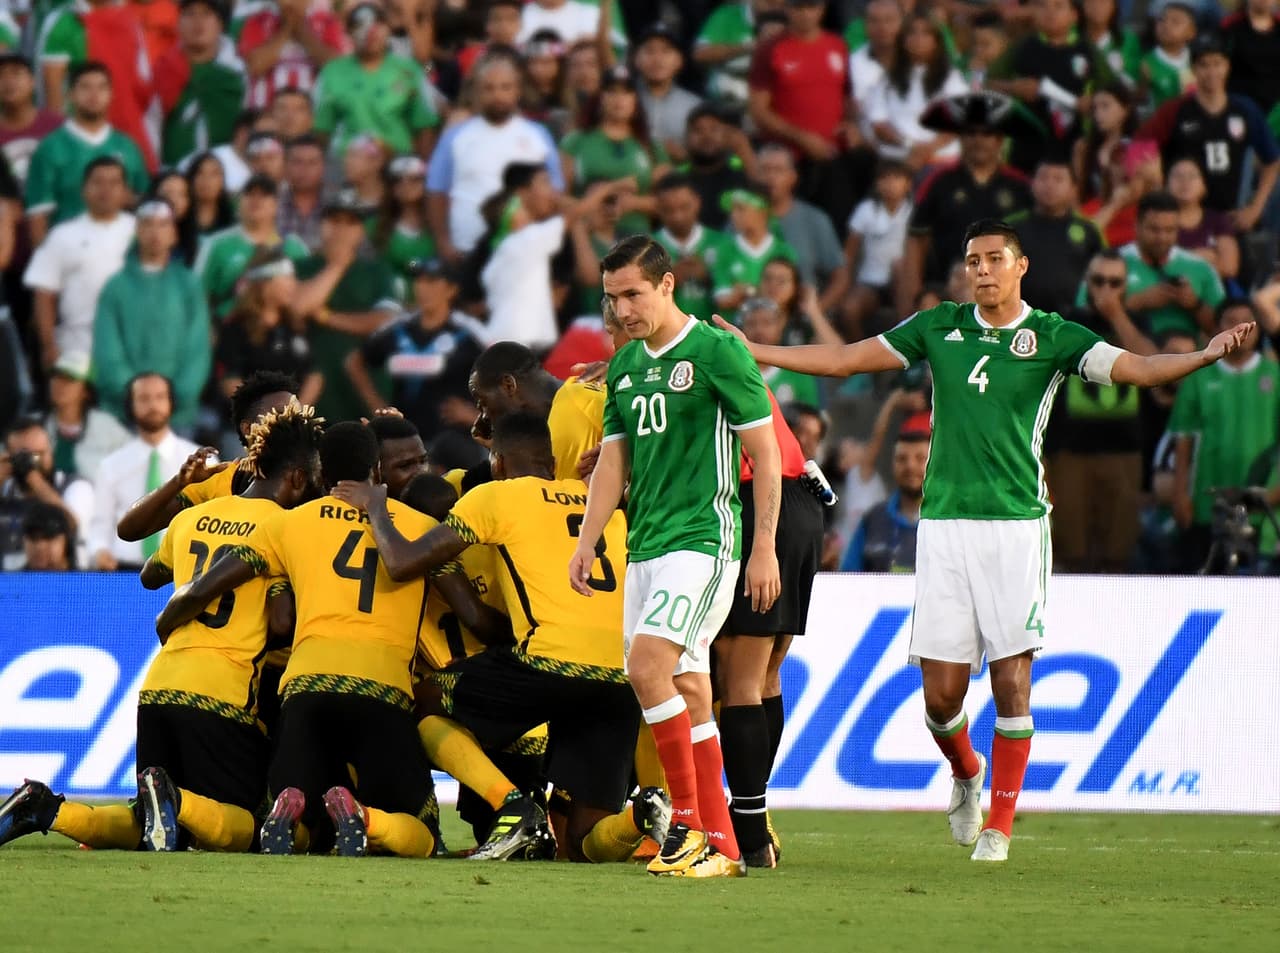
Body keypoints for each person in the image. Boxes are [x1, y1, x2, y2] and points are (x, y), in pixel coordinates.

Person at [712, 217, 1255, 861]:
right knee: (940, 701)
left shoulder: (1054, 338)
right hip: (943, 528)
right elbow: (846, 357)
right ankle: (967, 771)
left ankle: (1000, 825)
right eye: (973, 261)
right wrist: (759, 351)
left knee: (1012, 682)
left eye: (995, 259)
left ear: (1021, 266)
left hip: (1017, 528)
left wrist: (1202, 354)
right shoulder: (939, 327)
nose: (982, 270)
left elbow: (1137, 368)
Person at [332, 411, 667, 864]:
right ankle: (642, 812)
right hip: (618, 672)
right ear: (551, 461)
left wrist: (376, 506)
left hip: (547, 662)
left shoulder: (497, 496)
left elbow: (401, 562)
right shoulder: (600, 500)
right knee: (586, 844)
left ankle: (513, 805)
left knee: (427, 701)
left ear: (498, 460)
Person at [571, 235, 783, 878]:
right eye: (611, 299)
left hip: (704, 542)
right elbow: (615, 458)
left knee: (647, 668)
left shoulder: (718, 352)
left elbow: (766, 451)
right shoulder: (628, 365)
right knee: (689, 688)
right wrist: (588, 538)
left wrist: (764, 545)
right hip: (645, 548)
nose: (622, 311)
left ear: (667, 285)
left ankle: (687, 828)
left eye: (633, 294)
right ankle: (721, 847)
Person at [152, 421, 460, 858]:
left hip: (305, 688)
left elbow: (205, 586)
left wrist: (167, 620)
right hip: (382, 688)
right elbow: (467, 612)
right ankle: (363, 816)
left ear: (321, 473)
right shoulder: (421, 526)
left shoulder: (286, 525)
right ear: (376, 467)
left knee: (299, 830)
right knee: (422, 835)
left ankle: (291, 807)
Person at [128, 400, 322, 853]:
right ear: (295, 477)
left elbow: (150, 575)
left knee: (152, 832)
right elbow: (281, 621)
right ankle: (178, 801)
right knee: (239, 825)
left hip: (158, 687)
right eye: (311, 479)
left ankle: (59, 810)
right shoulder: (285, 527)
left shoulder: (190, 516)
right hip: (224, 693)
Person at [1047, 250, 1150, 573]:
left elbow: (1154, 367)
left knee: (1118, 551)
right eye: (1098, 281)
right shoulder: (1065, 322)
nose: (1105, 289)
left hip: (1124, 451)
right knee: (1069, 549)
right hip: (1069, 451)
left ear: (1125, 286)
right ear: (1086, 283)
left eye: (1115, 282)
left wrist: (1118, 316)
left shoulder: (1137, 323)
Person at [114, 369, 298, 544]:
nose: (294, 422)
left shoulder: (318, 478)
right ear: (248, 429)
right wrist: (178, 483)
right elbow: (129, 530)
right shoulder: (218, 481)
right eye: (281, 414)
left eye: (298, 413)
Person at [896, 91, 1032, 317]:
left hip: (1005, 285)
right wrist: (910, 300)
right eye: (970, 133)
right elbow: (915, 241)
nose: (978, 140)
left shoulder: (1021, 187)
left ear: (999, 140)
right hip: (944, 286)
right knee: (928, 307)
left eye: (986, 133)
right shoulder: (937, 182)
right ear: (961, 138)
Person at [1169, 299, 1279, 573]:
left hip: (1262, 501)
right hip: (1207, 500)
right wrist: (1180, 494)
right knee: (1205, 580)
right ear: (1216, 328)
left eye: (1248, 322)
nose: (1240, 329)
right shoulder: (1198, 377)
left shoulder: (1275, 375)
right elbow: (1183, 439)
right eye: (1231, 321)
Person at [91, 199, 211, 433]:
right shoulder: (116, 287)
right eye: (147, 224)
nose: (155, 232)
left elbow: (197, 348)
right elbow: (107, 348)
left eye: (163, 225)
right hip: (123, 413)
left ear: (174, 233)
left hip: (178, 414)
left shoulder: (189, 285)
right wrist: (135, 394)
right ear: (137, 231)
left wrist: (175, 395)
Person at [427, 54, 563, 260]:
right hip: (466, 251)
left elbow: (556, 191)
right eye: (489, 88)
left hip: (526, 252)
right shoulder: (455, 137)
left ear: (517, 90)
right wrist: (443, 243)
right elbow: (436, 192)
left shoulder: (538, 136)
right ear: (476, 92)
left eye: (505, 87)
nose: (497, 95)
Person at [1140, 32, 1280, 230]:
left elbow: (1272, 160)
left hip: (1228, 218)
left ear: (1227, 66)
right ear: (1193, 69)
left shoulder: (1245, 109)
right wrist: (1157, 187)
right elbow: (1140, 146)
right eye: (1204, 65)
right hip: (1181, 220)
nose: (1211, 71)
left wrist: (1256, 207)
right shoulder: (1175, 110)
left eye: (1217, 63)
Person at [748, 0, 863, 231]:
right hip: (790, 160)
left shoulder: (838, 46)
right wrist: (803, 139)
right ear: (787, 9)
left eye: (812, 7)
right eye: (798, 7)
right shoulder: (770, 49)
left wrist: (851, 124)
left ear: (822, 9)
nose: (805, 14)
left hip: (832, 155)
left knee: (839, 223)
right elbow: (759, 110)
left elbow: (847, 96)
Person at [346, 258, 484, 442]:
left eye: (432, 281)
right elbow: (355, 362)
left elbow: (501, 371)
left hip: (452, 443)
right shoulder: (398, 329)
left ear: (451, 289)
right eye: (418, 280)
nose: (422, 288)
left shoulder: (468, 333)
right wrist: (377, 406)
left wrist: (475, 415)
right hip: (404, 441)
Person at [294, 189, 401, 422]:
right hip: (312, 396)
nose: (341, 229)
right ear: (321, 224)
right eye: (334, 220)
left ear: (361, 230)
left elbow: (385, 320)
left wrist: (324, 316)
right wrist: (336, 266)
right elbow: (298, 308)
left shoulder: (377, 271)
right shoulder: (302, 267)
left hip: (363, 395)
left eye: (351, 222)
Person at [23, 155, 135, 372]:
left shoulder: (141, 231)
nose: (106, 190)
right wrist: (48, 345)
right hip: (76, 346)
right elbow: (44, 293)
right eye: (98, 182)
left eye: (114, 183)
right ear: (84, 189)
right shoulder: (62, 235)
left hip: (131, 345)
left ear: (125, 191)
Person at [23, 62, 148, 245]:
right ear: (70, 95)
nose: (94, 95)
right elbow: (38, 218)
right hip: (69, 254)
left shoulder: (127, 146)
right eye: (85, 87)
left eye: (101, 87)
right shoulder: (50, 148)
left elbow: (144, 202)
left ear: (111, 94)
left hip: (120, 254)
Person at [88, 373, 199, 572]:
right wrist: (99, 551)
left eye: (160, 397)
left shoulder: (200, 460)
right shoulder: (110, 465)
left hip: (182, 571)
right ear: (130, 405)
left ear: (171, 402)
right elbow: (100, 524)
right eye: (143, 398)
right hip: (121, 572)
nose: (153, 405)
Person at [468, 340, 606, 485]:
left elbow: (555, 503)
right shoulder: (576, 397)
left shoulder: (572, 409)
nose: (484, 416)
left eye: (483, 403)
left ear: (509, 385)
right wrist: (506, 451)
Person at [311, 3, 438, 159]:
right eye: (360, 25)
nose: (370, 32)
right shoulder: (332, 72)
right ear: (348, 32)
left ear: (388, 30)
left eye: (378, 24)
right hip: (345, 163)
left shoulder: (410, 71)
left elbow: (424, 127)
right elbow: (321, 130)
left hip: (396, 161)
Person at [559, 65, 670, 239]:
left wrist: (634, 203)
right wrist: (592, 202)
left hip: (636, 238)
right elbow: (558, 196)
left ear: (636, 99)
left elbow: (669, 202)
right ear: (600, 98)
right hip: (588, 234)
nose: (619, 99)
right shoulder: (576, 142)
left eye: (627, 92)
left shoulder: (652, 147)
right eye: (611, 92)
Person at [216, 247, 323, 412]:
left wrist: (297, 414)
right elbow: (229, 380)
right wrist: (263, 416)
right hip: (247, 426)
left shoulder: (295, 325)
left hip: (292, 425)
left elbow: (314, 374)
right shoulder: (237, 326)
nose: (294, 284)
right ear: (265, 283)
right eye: (287, 278)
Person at [196, 172, 310, 320]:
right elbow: (197, 297)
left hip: (278, 334)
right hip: (230, 331)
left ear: (276, 205)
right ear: (239, 202)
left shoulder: (294, 247)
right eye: (249, 194)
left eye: (264, 195)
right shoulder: (216, 244)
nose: (256, 200)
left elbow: (307, 294)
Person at [1114, 190, 1223, 339]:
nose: (1162, 237)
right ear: (1137, 226)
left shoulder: (1201, 267)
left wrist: (1195, 304)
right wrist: (1138, 302)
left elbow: (1224, 329)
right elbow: (1085, 320)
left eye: (1169, 230)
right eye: (1154, 229)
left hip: (1188, 357)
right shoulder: (1112, 263)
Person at [865, 10, 966, 169]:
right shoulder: (887, 79)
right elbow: (878, 124)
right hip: (896, 163)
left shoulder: (951, 78)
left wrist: (928, 150)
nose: (918, 39)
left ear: (936, 41)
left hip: (940, 163)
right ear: (903, 40)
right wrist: (909, 146)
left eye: (926, 34)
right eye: (912, 33)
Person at [1007, 157, 1104, 317]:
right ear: (1032, 184)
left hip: (1074, 321)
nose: (1050, 185)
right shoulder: (1011, 227)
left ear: (1074, 188)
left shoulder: (1089, 230)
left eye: (1058, 179)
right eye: (1043, 178)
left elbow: (1102, 271)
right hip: (1019, 317)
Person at [155, 0, 246, 167]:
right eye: (190, 14)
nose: (198, 22)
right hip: (172, 173)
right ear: (178, 24)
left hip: (226, 174)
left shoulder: (238, 75)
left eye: (207, 14)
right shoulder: (162, 71)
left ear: (220, 24)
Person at [0, 416, 96, 572]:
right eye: (24, 457)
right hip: (9, 584)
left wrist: (34, 479)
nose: (33, 462)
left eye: (39, 454)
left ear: (51, 451)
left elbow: (72, 526)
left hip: (63, 580)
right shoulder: (5, 490)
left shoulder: (76, 486)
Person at [756, 143, 848, 305]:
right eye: (765, 170)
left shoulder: (815, 219)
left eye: (778, 170)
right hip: (754, 318)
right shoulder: (741, 217)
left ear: (793, 176)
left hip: (802, 313)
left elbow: (840, 276)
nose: (770, 177)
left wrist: (814, 312)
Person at [839, 415, 929, 572]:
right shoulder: (872, 520)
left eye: (920, 459)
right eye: (902, 459)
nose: (910, 466)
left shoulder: (947, 522)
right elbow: (848, 577)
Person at [842, 158, 913, 339]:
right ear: (877, 183)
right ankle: (861, 360)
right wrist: (846, 285)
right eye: (885, 178)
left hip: (902, 280)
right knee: (849, 310)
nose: (890, 184)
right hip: (870, 282)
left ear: (908, 183)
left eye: (896, 178)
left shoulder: (914, 211)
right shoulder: (865, 210)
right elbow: (849, 253)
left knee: (899, 266)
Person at [238, 0, 348, 110]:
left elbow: (334, 67)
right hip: (265, 114)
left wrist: (301, 30)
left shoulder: (327, 22)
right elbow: (255, 67)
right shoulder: (258, 21)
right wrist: (287, 28)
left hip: (312, 115)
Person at [712, 185, 797, 324]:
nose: (733, 215)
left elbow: (789, 298)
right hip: (733, 331)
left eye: (741, 209)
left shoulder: (784, 251)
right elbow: (722, 299)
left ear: (762, 212)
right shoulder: (724, 250)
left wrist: (748, 291)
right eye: (733, 209)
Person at [42, 351, 130, 480]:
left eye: (69, 379)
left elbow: (133, 463)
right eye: (56, 377)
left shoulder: (107, 427)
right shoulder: (36, 425)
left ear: (85, 392)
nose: (59, 384)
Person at [653, 171, 728, 322]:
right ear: (658, 208)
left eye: (684, 207)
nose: (677, 216)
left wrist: (709, 277)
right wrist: (669, 281)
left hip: (715, 334)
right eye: (669, 210)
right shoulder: (648, 248)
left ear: (697, 202)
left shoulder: (723, 243)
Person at [675, 103, 752, 231]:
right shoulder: (678, 178)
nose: (707, 137)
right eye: (698, 130)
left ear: (726, 135)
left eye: (714, 129)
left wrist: (744, 148)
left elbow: (764, 196)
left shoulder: (740, 170)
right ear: (686, 138)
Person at [634, 23, 702, 163]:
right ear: (636, 59)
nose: (657, 59)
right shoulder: (625, 99)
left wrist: (685, 157)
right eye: (649, 51)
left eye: (666, 51)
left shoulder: (694, 106)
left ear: (679, 61)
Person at [1167, 157, 1239, 285]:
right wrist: (1200, 256)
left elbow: (1229, 268)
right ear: (1166, 185)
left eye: (1192, 176)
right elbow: (1158, 265)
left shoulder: (1218, 220)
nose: (1185, 182)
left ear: (1204, 186)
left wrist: (1179, 262)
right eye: (1177, 176)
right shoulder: (1160, 220)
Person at [0, 53, 62, 192]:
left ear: (32, 82)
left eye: (16, 73)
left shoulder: (59, 127)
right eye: (1, 75)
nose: (8, 81)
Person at [371, 154, 434, 288]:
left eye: (414, 179)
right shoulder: (374, 225)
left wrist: (410, 263)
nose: (406, 185)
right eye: (397, 180)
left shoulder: (439, 225)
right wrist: (412, 264)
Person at [1138, 3, 1197, 110]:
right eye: (1162, 20)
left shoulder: (1197, 60)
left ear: (1191, 32)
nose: (1166, 25)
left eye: (1175, 22)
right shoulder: (1146, 63)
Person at [277, 133, 327, 251]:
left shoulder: (338, 205)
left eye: (312, 163)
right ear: (285, 165)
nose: (304, 169)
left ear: (323, 167)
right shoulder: (270, 203)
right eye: (297, 162)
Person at [22, 502, 75, 571]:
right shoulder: (12, 580)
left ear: (66, 542)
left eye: (49, 537)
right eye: (33, 538)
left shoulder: (83, 580)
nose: (40, 546)